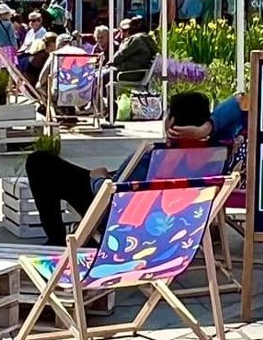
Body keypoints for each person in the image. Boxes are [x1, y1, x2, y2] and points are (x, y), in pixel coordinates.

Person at [24, 90, 224, 245]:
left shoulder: (155, 157)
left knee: (40, 163)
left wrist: (98, 178)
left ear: (172, 121)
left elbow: (115, 197)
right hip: (169, 221)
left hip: (121, 218)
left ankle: (56, 239)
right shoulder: (213, 156)